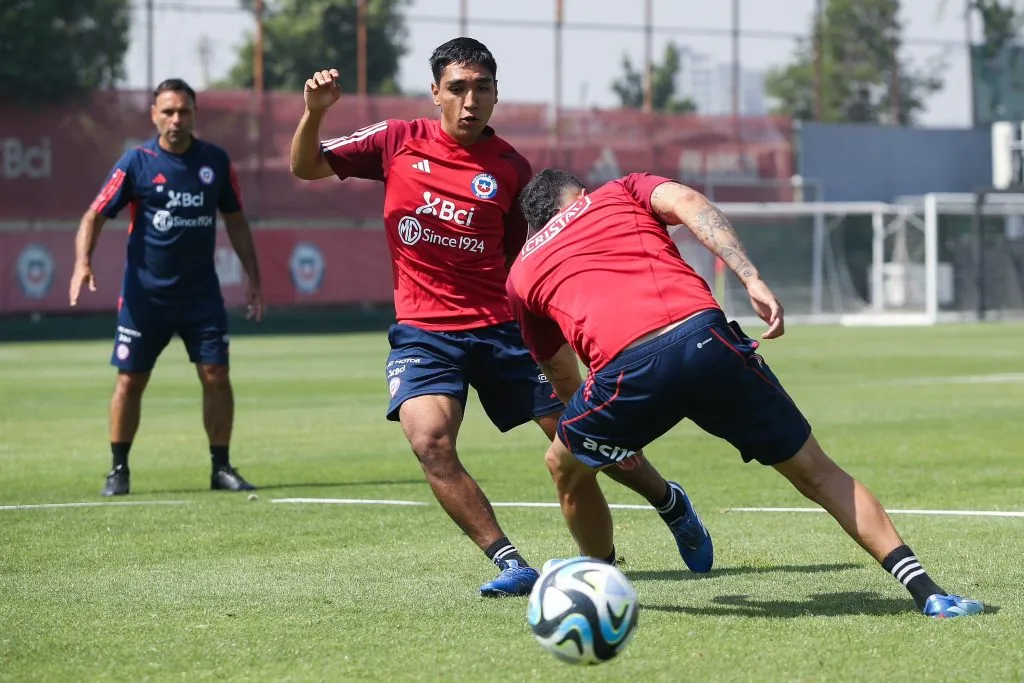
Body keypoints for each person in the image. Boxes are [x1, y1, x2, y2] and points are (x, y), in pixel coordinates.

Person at [289, 38, 712, 596]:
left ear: (495, 95)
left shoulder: (511, 168)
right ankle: (513, 563)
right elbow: (306, 166)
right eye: (457, 88)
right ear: (435, 92)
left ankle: (668, 501)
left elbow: (523, 261)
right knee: (430, 442)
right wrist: (314, 113)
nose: (469, 101)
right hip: (423, 333)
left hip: (503, 331)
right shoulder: (396, 140)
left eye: (481, 89)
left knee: (585, 441)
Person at [507, 168, 984, 619]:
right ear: (581, 195)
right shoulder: (621, 191)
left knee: (563, 466)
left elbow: (559, 370)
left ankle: (598, 581)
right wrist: (750, 277)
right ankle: (930, 594)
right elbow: (690, 203)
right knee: (818, 472)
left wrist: (598, 436)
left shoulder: (522, 271)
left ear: (536, 225)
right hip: (706, 340)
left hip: (627, 375)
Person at [69, 78, 264, 497]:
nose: (176, 119)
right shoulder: (136, 162)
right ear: (154, 115)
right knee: (130, 380)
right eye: (168, 111)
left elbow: (235, 220)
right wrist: (83, 262)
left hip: (201, 297)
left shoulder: (214, 161)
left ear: (194, 114)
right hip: (145, 299)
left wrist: (254, 276)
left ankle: (221, 468)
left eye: (184, 111)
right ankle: (118, 469)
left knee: (216, 375)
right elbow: (95, 214)